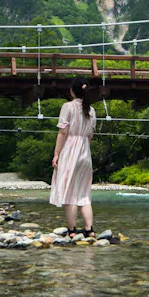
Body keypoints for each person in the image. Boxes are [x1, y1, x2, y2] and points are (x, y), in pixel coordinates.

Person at [50, 76, 97, 237]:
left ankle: (72, 230)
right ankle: (89, 230)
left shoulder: (68, 107)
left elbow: (63, 132)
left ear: (72, 91)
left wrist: (56, 154)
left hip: (70, 149)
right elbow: (90, 135)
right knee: (84, 193)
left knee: (69, 193)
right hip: (85, 151)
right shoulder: (91, 110)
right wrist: (84, 149)